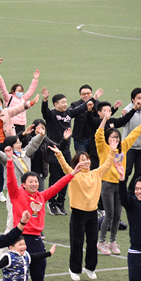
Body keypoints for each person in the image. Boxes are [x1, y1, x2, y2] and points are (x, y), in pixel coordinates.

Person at [5, 150, 79, 281]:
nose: (34, 184)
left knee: (38, 276)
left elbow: (57, 186)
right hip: (20, 239)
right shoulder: (16, 194)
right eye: (30, 182)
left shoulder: (41, 196)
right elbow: (10, 180)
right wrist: (9, 162)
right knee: (19, 276)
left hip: (37, 240)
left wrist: (72, 174)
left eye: (36, 181)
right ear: (23, 184)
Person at [51, 137, 116, 281]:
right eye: (82, 160)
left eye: (87, 159)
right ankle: (74, 269)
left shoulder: (96, 173)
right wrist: (59, 154)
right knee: (77, 242)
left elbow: (107, 164)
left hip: (92, 214)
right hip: (78, 214)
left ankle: (90, 268)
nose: (86, 162)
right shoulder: (74, 175)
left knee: (92, 242)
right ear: (77, 163)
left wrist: (112, 150)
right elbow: (65, 167)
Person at [41, 86, 102, 216]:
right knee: (54, 177)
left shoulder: (68, 113)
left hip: (66, 151)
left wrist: (94, 98)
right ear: (55, 104)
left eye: (66, 102)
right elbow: (44, 112)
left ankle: (60, 202)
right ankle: (51, 202)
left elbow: (82, 107)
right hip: (54, 150)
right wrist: (45, 100)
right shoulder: (51, 114)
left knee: (67, 176)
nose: (65, 104)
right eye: (62, 102)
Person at [96, 109, 141, 255]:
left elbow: (133, 135)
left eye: (117, 138)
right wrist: (105, 120)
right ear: (107, 138)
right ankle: (101, 242)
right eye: (112, 137)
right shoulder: (103, 148)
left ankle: (112, 242)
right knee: (109, 214)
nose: (115, 140)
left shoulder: (123, 147)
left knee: (118, 215)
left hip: (119, 184)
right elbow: (98, 135)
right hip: (106, 184)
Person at [112, 88, 141, 193]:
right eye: (138, 98)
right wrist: (124, 116)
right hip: (129, 148)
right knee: (126, 171)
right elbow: (122, 123)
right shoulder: (127, 110)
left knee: (139, 173)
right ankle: (120, 192)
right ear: (133, 99)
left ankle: (131, 192)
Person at [0, 69, 40, 136]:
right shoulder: (9, 98)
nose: (20, 92)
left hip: (22, 125)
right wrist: (0, 79)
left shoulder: (23, 99)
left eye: (22, 91)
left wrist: (35, 79)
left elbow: (30, 91)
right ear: (13, 91)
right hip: (12, 124)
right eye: (19, 91)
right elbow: (3, 91)